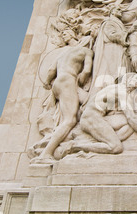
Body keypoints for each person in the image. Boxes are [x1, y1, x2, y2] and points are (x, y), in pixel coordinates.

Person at [57, 73, 137, 157]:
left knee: (131, 123)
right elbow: (132, 118)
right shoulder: (121, 91)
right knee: (116, 147)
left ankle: (107, 140)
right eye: (136, 78)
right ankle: (75, 146)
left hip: (95, 117)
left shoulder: (114, 89)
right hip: (91, 118)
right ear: (127, 80)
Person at [31, 29, 96, 164]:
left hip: (57, 84)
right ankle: (46, 153)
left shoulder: (63, 55)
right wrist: (81, 81)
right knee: (70, 120)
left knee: (78, 111)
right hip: (68, 82)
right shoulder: (87, 52)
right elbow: (87, 71)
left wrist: (48, 83)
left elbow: (50, 71)